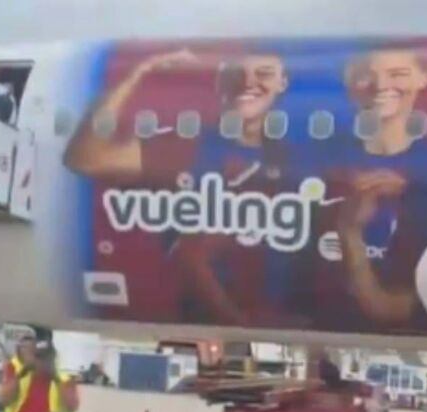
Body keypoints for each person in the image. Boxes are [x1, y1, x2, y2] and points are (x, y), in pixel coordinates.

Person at [64, 49, 310, 328]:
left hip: (280, 315)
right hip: (213, 318)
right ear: (219, 84)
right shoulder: (186, 146)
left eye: (263, 73)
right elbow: (85, 158)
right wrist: (135, 74)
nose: (247, 82)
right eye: (234, 75)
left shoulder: (291, 159)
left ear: (282, 82)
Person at [320, 47, 427, 329]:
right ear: (350, 86)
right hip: (327, 320)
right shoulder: (320, 161)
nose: (381, 86)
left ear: (424, 78)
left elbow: (387, 307)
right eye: (366, 76)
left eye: (398, 74)